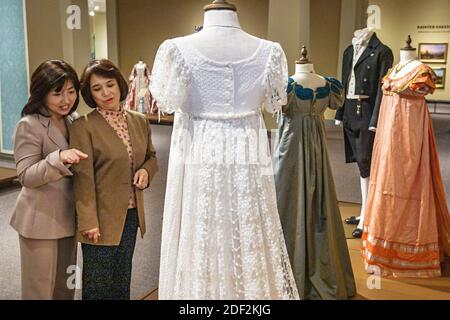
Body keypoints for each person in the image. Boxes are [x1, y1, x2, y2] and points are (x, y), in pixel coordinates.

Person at [69, 59, 158, 300]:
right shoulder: (83, 127)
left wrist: (146, 172)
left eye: (110, 84)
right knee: (98, 285)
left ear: (120, 84)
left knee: (122, 277)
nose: (106, 93)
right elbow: (83, 179)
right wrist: (88, 221)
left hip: (131, 215)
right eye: (97, 89)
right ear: (89, 94)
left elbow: (151, 157)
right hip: (99, 217)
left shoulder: (139, 120)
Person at [10, 60, 88, 300]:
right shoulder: (29, 125)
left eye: (71, 91)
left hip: (68, 216)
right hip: (40, 220)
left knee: (65, 288)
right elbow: (26, 175)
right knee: (39, 290)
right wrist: (59, 158)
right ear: (41, 93)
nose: (66, 100)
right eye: (57, 93)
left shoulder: (73, 119)